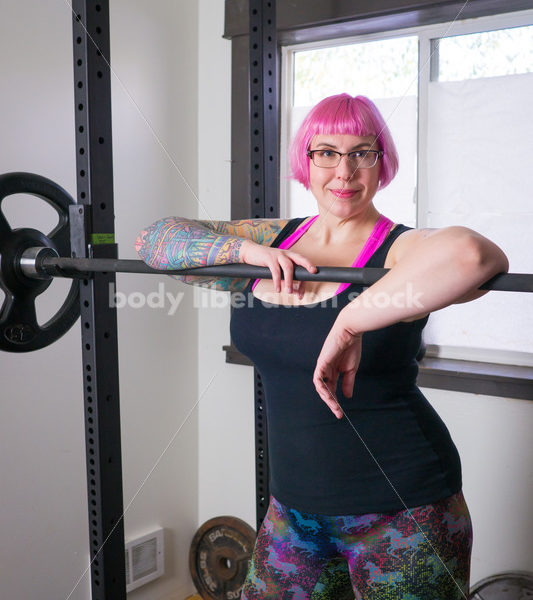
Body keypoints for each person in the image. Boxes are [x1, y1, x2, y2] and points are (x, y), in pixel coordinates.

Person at [135, 93, 508, 600]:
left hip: (406, 511)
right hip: (293, 512)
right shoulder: (271, 240)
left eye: (362, 152)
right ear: (306, 161)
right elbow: (154, 242)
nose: (344, 171)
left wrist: (350, 321)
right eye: (326, 152)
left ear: (382, 163)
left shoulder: (400, 249)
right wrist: (247, 251)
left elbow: (472, 254)